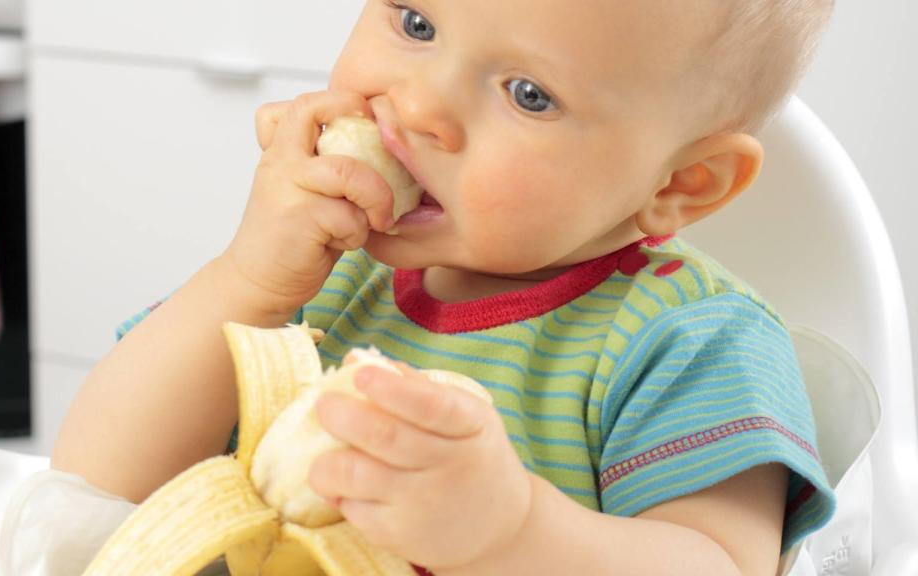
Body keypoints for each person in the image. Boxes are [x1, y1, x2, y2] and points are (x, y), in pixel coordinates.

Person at [52, 1, 838, 574]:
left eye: (528, 94)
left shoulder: (689, 342)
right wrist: (247, 279)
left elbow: (720, 567)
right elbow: (95, 491)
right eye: (416, 24)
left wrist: (511, 533)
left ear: (682, 182)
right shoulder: (316, 273)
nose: (419, 106)